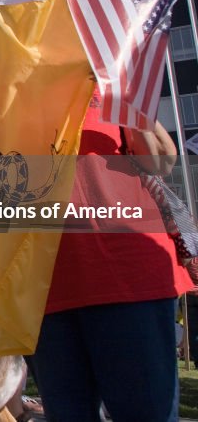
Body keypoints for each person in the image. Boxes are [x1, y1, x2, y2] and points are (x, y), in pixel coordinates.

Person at [30, 93, 192, 421]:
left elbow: (161, 160)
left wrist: (126, 94)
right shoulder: (3, 73)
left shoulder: (107, 72)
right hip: (41, 286)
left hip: (128, 276)